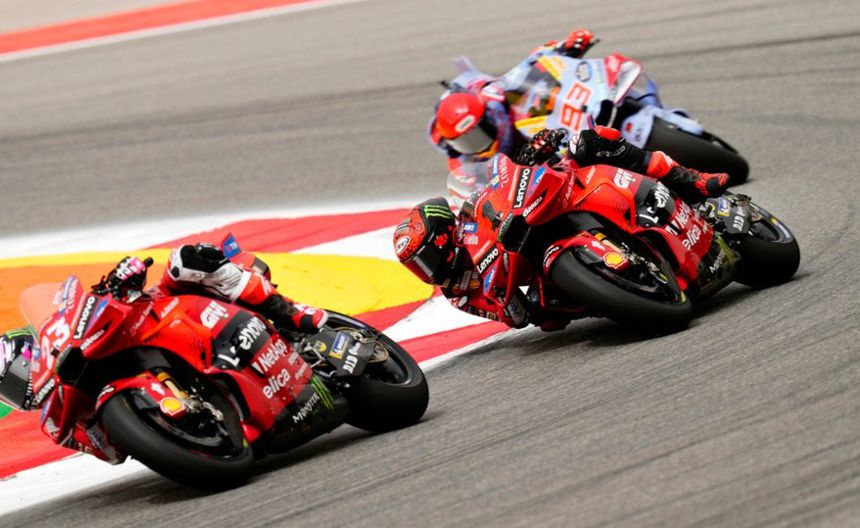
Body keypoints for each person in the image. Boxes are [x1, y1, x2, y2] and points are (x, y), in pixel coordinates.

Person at [395, 126, 729, 331]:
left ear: (444, 236)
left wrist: (532, 152)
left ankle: (691, 181)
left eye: (425, 260)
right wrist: (509, 304)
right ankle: (622, 286)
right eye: (417, 268)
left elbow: (500, 185)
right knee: (548, 312)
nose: (427, 272)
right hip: (542, 275)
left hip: (546, 207)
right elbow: (513, 317)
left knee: (591, 141)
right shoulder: (458, 293)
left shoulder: (471, 220)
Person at [0, 243, 327, 411]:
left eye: (15, 380)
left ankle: (291, 314)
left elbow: (113, 297)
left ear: (33, 352)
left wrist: (120, 281)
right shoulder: (61, 423)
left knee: (186, 261)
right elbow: (115, 453)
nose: (20, 394)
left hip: (167, 314)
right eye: (9, 394)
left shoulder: (78, 332)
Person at [429, 29, 598, 170]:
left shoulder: (494, 98)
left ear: (487, 115)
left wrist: (564, 47)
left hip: (533, 133)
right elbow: (477, 195)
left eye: (481, 132)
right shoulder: (462, 164)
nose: (479, 144)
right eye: (466, 143)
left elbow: (526, 68)